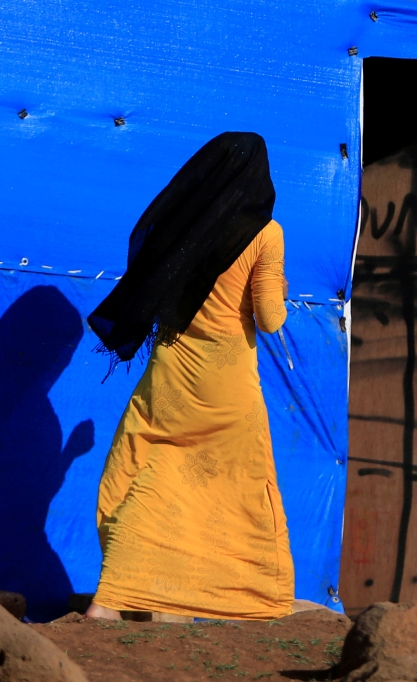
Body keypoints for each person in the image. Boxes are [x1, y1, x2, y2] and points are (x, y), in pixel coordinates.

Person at [85, 132, 294, 621]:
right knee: (228, 487)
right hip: (226, 383)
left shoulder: (188, 225)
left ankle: (147, 600)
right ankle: (126, 599)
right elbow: (268, 318)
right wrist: (280, 288)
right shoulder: (266, 234)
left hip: (171, 372)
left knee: (149, 468)